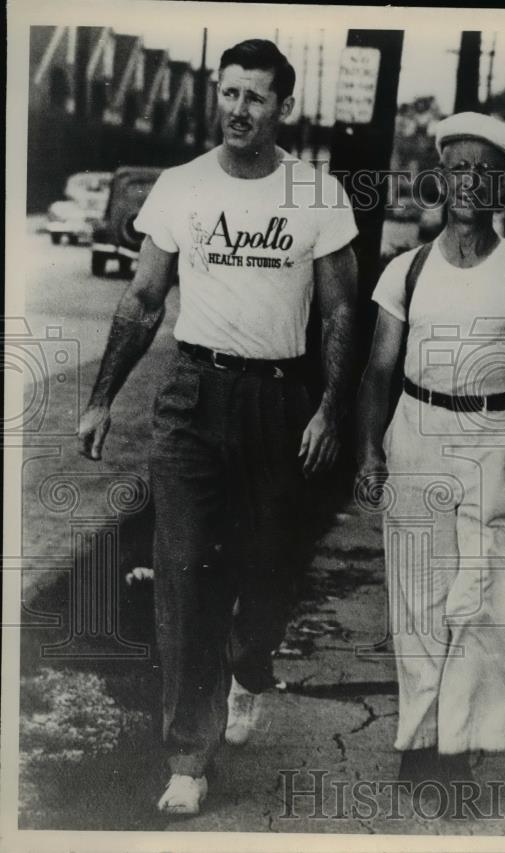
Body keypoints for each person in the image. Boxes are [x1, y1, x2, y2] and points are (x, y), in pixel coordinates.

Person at [76, 39, 358, 815]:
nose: (238, 109)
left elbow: (340, 312)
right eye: (229, 92)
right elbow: (141, 301)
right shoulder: (181, 187)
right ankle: (188, 756)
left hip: (279, 401)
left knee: (271, 566)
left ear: (283, 107)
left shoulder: (318, 194)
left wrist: (332, 409)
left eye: (255, 96)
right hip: (193, 396)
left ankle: (249, 660)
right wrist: (101, 398)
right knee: (186, 570)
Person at [355, 113, 505, 804]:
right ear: (440, 178)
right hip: (416, 433)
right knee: (418, 599)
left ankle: (457, 749)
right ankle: (420, 745)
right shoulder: (405, 270)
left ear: (504, 184)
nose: (471, 181)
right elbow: (378, 370)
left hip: (491, 443)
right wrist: (370, 452)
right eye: (459, 168)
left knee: (479, 600)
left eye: (486, 169)